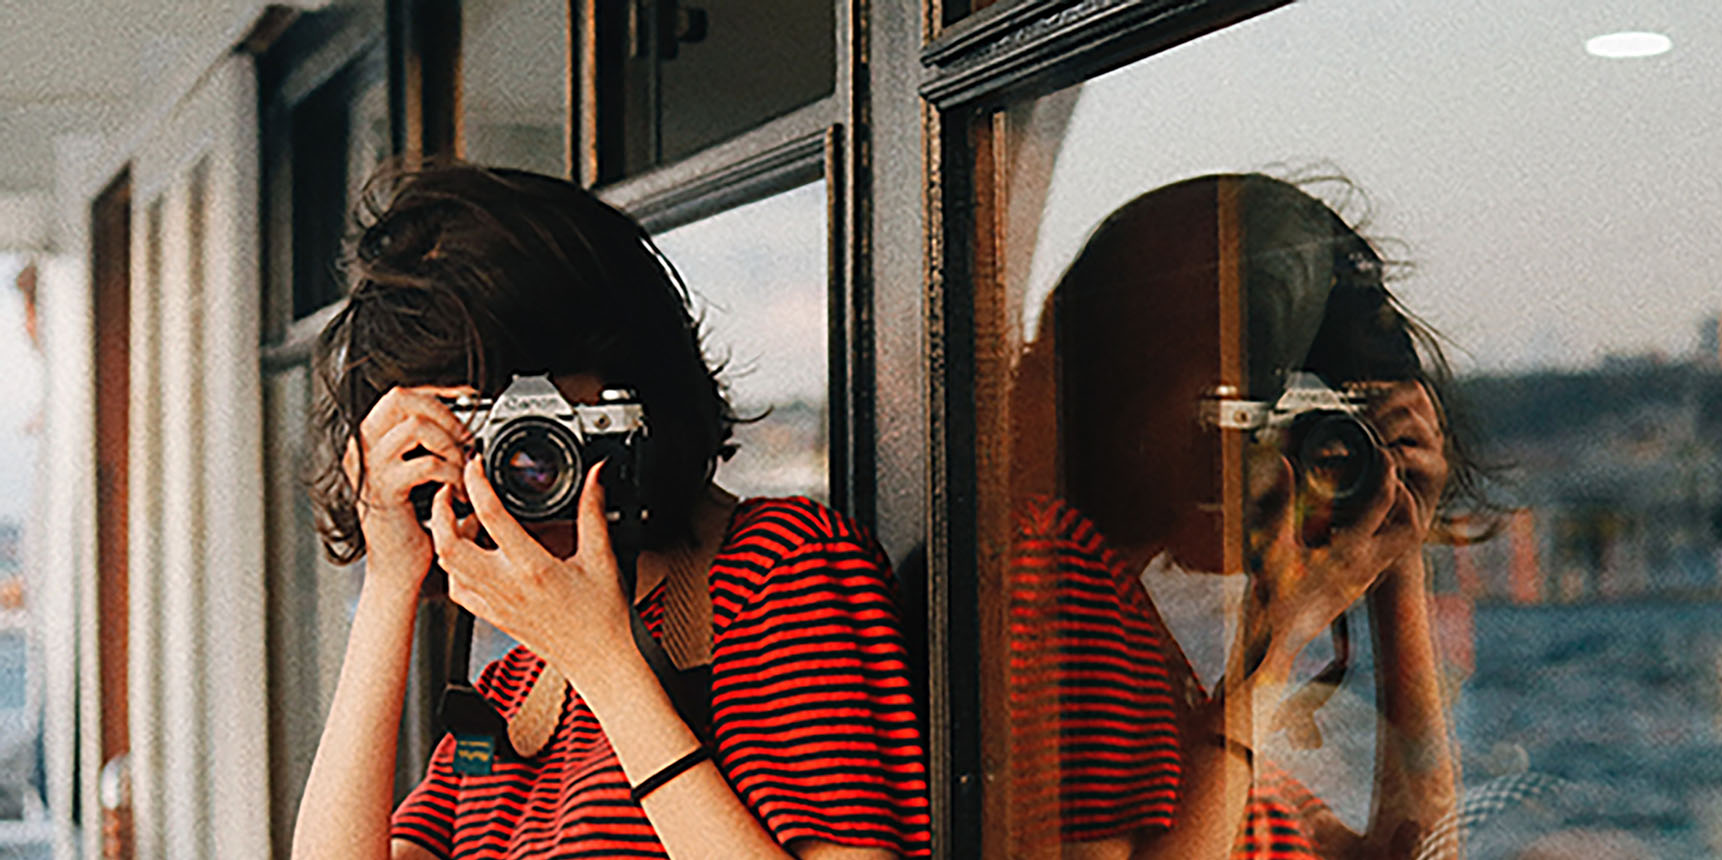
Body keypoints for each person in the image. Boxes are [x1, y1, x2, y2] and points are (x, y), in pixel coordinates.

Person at [290, 163, 932, 860]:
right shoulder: (515, 685)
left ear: (634, 388)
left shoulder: (774, 569)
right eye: (483, 422)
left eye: (549, 413)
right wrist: (391, 580)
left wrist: (602, 659)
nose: (523, 461)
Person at [1004, 173, 1489, 859]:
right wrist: (1275, 646)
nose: (1304, 456)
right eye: (1271, 410)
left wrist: (1392, 549)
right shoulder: (1066, 593)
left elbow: (1417, 854)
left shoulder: (1153, 660)